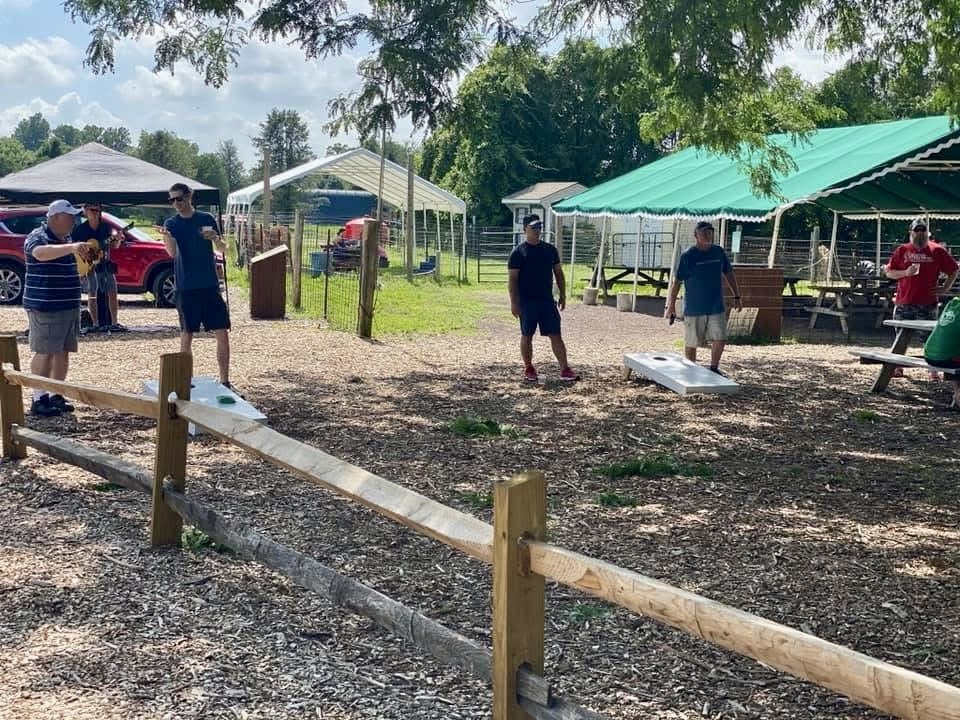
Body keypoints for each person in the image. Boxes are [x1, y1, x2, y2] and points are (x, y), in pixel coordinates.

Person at [155, 183, 233, 388]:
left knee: (222, 332)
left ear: (190, 196)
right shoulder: (171, 223)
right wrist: (167, 237)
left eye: (179, 199)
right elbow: (171, 253)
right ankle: (185, 380)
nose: (176, 204)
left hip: (209, 284)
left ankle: (225, 380)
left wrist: (215, 238)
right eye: (171, 200)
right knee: (187, 334)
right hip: (186, 286)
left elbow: (223, 248)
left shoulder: (206, 219)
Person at [22, 200, 91, 417]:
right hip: (46, 305)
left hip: (68, 304)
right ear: (55, 217)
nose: (73, 221)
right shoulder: (37, 236)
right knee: (45, 351)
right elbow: (40, 254)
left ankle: (55, 394)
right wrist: (71, 247)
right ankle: (38, 397)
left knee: (63, 350)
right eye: (69, 217)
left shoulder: (66, 238)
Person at [884, 218, 958, 378]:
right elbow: (889, 272)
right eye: (917, 230)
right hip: (904, 301)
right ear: (910, 232)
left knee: (931, 337)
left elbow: (954, 269)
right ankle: (897, 365)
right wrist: (905, 273)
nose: (920, 233)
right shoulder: (902, 250)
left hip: (928, 302)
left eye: (923, 230)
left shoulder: (937, 250)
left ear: (927, 232)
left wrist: (946, 287)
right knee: (900, 336)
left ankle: (933, 368)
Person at [508, 214, 578, 382]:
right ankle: (529, 368)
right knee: (527, 335)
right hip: (527, 301)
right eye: (534, 228)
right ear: (525, 229)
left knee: (556, 334)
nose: (537, 231)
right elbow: (512, 280)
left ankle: (564, 368)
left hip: (547, 301)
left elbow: (559, 273)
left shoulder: (550, 250)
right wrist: (514, 303)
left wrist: (562, 294)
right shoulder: (518, 253)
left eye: (539, 228)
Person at [665, 221, 742, 374]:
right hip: (694, 307)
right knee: (692, 342)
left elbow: (729, 274)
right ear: (696, 235)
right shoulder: (688, 256)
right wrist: (671, 304)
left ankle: (714, 368)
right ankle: (690, 370)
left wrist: (737, 295)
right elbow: (678, 281)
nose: (708, 235)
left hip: (716, 305)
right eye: (704, 232)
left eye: (710, 232)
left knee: (720, 337)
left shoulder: (718, 252)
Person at [73, 202, 123, 332]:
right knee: (92, 295)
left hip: (105, 264)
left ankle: (114, 322)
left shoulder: (105, 227)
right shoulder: (80, 230)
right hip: (89, 266)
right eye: (92, 210)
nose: (95, 213)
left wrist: (117, 239)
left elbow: (113, 246)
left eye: (97, 210)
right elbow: (75, 249)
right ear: (85, 211)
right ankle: (95, 324)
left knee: (112, 293)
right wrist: (88, 255)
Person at [923, 297, 960, 408]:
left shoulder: (954, 302)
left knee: (952, 349)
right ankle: (958, 393)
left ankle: (957, 391)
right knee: (954, 353)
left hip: (930, 354)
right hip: (948, 358)